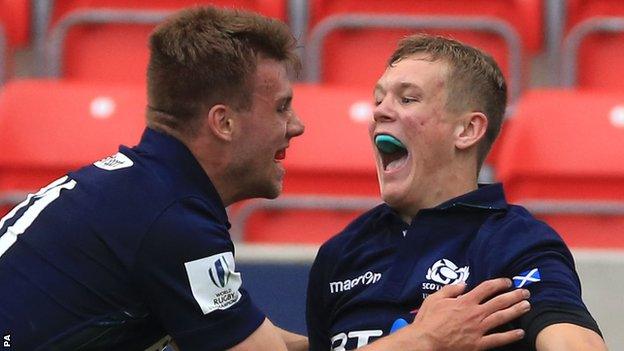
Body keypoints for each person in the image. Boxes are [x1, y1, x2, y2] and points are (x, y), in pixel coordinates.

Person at [0, 7, 529, 351]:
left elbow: (257, 340)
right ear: (223, 123)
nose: (296, 126)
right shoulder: (172, 221)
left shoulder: (137, 191)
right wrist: (426, 340)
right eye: (280, 108)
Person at [306, 34, 608, 351]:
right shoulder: (340, 253)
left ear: (467, 130)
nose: (380, 112)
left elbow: (575, 340)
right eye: (378, 100)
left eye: (407, 99)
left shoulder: (515, 240)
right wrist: (422, 341)